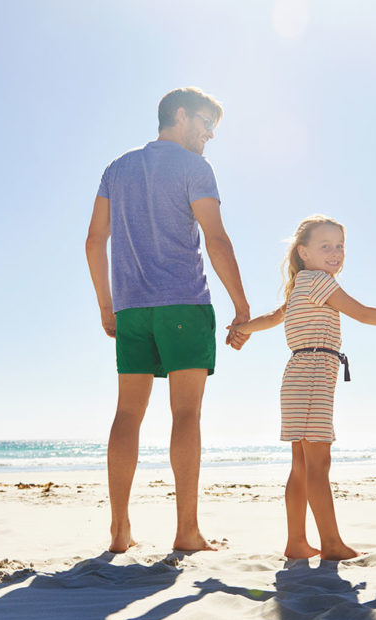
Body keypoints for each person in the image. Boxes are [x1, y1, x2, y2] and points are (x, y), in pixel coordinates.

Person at [85, 87, 251, 553]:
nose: (210, 135)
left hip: (132, 309)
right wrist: (241, 304)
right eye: (205, 123)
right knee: (186, 413)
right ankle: (186, 532)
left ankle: (119, 531)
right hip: (183, 303)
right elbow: (216, 240)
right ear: (180, 116)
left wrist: (106, 304)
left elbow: (94, 241)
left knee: (127, 414)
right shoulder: (194, 167)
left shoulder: (116, 169)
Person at [228, 215, 376, 560]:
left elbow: (272, 319)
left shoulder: (301, 284)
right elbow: (360, 312)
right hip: (314, 372)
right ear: (304, 252)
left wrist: (241, 330)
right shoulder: (319, 281)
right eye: (325, 246)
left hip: (298, 374)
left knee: (301, 464)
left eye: (340, 246)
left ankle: (297, 542)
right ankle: (330, 543)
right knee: (318, 463)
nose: (335, 253)